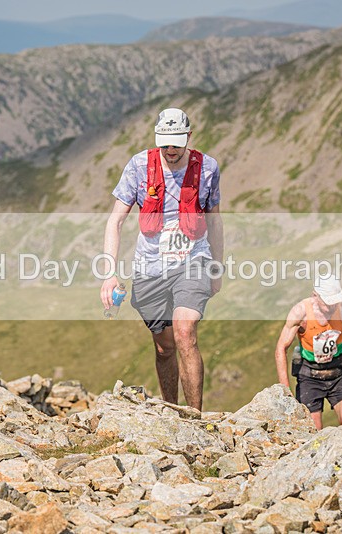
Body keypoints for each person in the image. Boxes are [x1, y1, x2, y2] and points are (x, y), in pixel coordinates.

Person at [100, 107, 223, 411]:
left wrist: (217, 267)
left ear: (189, 137)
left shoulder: (207, 168)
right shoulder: (138, 167)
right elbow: (115, 221)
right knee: (164, 347)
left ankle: (195, 417)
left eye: (176, 143)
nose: (170, 150)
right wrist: (109, 273)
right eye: (164, 143)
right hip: (150, 267)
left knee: (185, 332)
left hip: (193, 259)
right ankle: (172, 410)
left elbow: (215, 221)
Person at [274, 276, 342, 429]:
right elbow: (280, 348)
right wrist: (285, 390)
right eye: (327, 302)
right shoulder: (300, 312)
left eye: (334, 301)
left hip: (339, 373)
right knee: (312, 433)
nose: (331, 306)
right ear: (315, 296)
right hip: (309, 376)